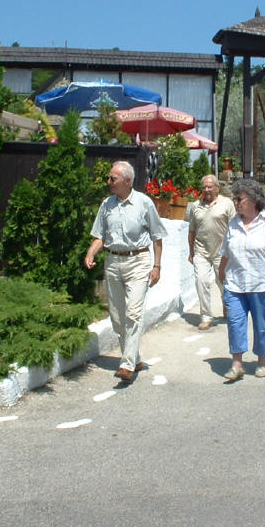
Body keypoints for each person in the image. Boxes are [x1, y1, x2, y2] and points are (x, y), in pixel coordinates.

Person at [84, 161, 167, 383]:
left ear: (127, 181)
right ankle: (135, 358)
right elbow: (100, 236)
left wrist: (157, 266)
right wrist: (91, 252)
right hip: (113, 261)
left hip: (138, 261)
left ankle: (127, 364)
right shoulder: (107, 205)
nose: (109, 182)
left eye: (113, 178)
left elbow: (157, 237)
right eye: (109, 178)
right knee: (117, 317)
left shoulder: (144, 203)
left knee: (134, 313)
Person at [219, 178, 265, 381]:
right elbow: (226, 251)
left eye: (239, 199)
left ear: (253, 200)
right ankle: (237, 364)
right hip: (235, 283)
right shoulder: (233, 223)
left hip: (262, 283)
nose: (236, 202)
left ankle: (261, 359)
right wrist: (221, 271)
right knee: (235, 323)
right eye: (234, 199)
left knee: (262, 324)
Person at [188, 174, 235, 330]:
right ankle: (206, 316)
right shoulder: (196, 206)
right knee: (201, 281)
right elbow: (192, 231)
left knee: (223, 283)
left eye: (210, 187)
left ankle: (227, 306)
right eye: (204, 187)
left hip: (222, 252)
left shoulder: (227, 204)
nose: (207, 190)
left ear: (217, 188)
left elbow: (234, 228)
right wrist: (191, 252)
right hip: (201, 251)